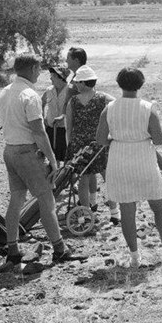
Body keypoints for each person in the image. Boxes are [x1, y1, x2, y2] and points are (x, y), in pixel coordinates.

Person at [96, 67, 162, 268]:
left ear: (119, 84)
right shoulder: (147, 108)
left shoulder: (109, 108)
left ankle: (135, 257)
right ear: (141, 84)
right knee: (159, 207)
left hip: (119, 159)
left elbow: (100, 139)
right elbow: (159, 139)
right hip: (143, 159)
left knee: (127, 210)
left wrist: (118, 138)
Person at [0, 54, 76, 269]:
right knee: (46, 200)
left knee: (16, 201)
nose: (40, 73)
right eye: (38, 68)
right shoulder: (29, 95)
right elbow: (39, 133)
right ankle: (59, 249)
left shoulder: (5, 92)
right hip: (27, 153)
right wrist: (52, 159)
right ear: (31, 68)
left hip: (10, 151)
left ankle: (12, 251)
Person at [65, 65, 120, 225]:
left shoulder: (73, 101)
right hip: (99, 143)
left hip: (80, 145)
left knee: (83, 179)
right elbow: (119, 106)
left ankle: (85, 214)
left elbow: (69, 126)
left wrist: (71, 147)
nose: (75, 85)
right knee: (107, 177)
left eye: (77, 82)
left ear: (83, 83)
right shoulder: (104, 98)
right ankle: (115, 213)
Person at [41, 65, 71, 164]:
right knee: (53, 160)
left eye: (53, 76)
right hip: (51, 129)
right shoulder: (49, 90)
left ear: (60, 77)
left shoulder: (70, 91)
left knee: (67, 160)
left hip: (65, 131)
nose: (50, 78)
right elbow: (41, 103)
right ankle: (55, 178)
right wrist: (42, 118)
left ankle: (65, 179)